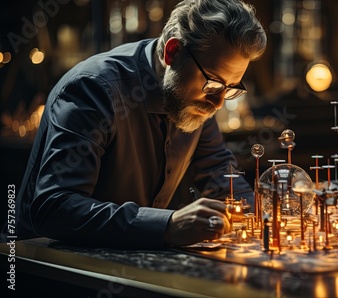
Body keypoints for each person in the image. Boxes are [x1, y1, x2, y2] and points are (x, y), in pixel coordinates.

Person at [7, 0, 267, 249]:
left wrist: (266, 217)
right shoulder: (94, 89)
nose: (219, 102)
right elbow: (54, 208)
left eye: (231, 88)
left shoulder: (198, 101)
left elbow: (221, 174)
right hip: (45, 269)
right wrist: (168, 225)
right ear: (172, 52)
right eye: (213, 83)